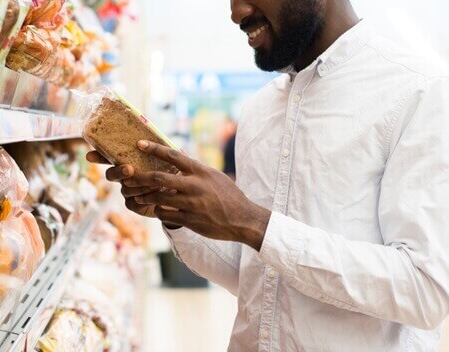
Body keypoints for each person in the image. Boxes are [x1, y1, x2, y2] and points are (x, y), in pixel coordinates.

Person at [87, 0, 449, 350]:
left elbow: (424, 291)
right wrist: (177, 210)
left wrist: (252, 222)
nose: (236, 12)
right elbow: (254, 276)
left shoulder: (418, 93)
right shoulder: (260, 110)